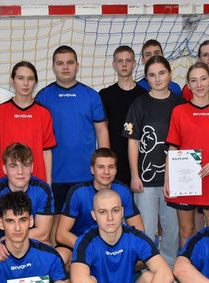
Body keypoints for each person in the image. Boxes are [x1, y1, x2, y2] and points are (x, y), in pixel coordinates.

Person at [124, 55, 184, 269]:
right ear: (146, 78)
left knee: (172, 228)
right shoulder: (139, 104)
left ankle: (169, 267)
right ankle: (151, 269)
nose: (157, 79)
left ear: (170, 74)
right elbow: (133, 142)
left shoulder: (180, 104)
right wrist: (134, 175)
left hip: (174, 181)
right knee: (147, 229)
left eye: (161, 73)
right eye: (151, 75)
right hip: (146, 179)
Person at [36, 45, 109, 214]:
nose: (65, 67)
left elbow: (102, 130)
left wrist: (105, 166)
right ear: (53, 67)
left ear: (77, 65)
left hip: (87, 176)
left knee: (90, 221)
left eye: (70, 62)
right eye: (60, 63)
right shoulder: (43, 97)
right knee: (54, 224)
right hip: (54, 176)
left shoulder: (91, 95)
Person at [165, 62, 209, 248]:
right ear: (188, 84)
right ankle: (187, 265)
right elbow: (173, 148)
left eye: (203, 79)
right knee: (186, 231)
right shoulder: (179, 111)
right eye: (194, 80)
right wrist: (169, 179)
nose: (199, 84)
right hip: (185, 181)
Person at [56, 148, 143, 266]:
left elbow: (139, 231)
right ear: (92, 170)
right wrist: (91, 248)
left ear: (116, 170)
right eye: (101, 167)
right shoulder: (78, 192)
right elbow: (61, 234)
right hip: (81, 243)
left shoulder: (123, 191)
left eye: (111, 167)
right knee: (60, 257)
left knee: (140, 258)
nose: (106, 172)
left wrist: (117, 249)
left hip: (113, 245)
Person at [0, 143, 54, 262]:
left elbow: (43, 233)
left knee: (51, 250)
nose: (20, 172)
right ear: (5, 169)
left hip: (32, 244)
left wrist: (7, 240)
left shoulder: (42, 190)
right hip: (2, 249)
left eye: (25, 165)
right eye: (13, 166)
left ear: (32, 168)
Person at [0, 61, 56, 184]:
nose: (25, 83)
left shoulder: (44, 113)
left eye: (30, 79)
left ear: (35, 82)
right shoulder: (0, 111)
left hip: (36, 181)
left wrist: (48, 183)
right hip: (5, 182)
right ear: (12, 81)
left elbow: (47, 152)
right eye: (20, 78)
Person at [99, 46, 147, 185]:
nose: (124, 64)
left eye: (128, 60)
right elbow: (102, 129)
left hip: (140, 161)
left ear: (134, 63)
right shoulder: (105, 95)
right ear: (114, 64)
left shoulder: (144, 95)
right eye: (120, 61)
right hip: (115, 160)